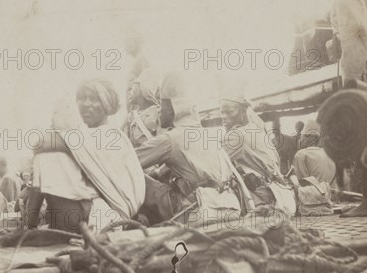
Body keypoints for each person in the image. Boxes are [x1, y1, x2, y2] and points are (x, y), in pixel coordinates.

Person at [31, 79, 146, 232]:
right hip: (96, 214)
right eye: (82, 98)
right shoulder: (87, 139)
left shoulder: (108, 136)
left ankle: (31, 225)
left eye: (93, 98)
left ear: (106, 104)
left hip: (106, 218)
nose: (86, 104)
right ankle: (32, 225)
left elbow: (40, 143)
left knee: (48, 156)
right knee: (51, 155)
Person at [136, 72, 240, 223]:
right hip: (227, 205)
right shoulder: (206, 135)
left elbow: (127, 163)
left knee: (135, 176)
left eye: (161, 103)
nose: (158, 110)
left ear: (173, 107)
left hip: (194, 211)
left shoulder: (171, 139)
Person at [220, 95, 296, 215]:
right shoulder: (257, 131)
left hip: (259, 200)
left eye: (229, 112)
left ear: (243, 113)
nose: (223, 117)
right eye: (222, 113)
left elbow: (213, 166)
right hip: (278, 196)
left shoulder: (236, 135)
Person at [122, 68, 161, 148]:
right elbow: (124, 144)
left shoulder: (158, 113)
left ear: (142, 90)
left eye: (132, 89)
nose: (129, 93)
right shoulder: (129, 117)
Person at [292, 119, 336, 185]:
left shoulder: (301, 154)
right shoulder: (329, 154)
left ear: (311, 138)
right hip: (333, 194)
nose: (300, 139)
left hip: (315, 194)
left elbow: (301, 185)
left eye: (302, 136)